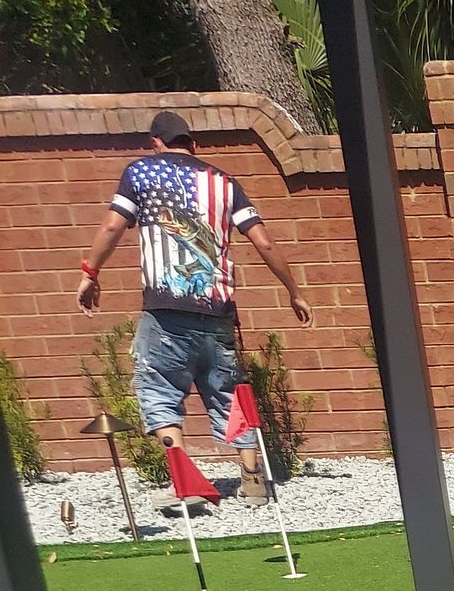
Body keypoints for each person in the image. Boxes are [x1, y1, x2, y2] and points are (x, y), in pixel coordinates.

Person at [76, 109, 311, 504]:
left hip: (166, 311)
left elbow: (114, 226)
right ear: (193, 144)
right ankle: (252, 480)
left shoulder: (140, 174)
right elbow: (264, 243)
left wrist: (90, 272)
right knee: (228, 394)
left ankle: (186, 484)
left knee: (160, 391)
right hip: (217, 310)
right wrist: (293, 290)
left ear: (155, 142)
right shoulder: (224, 182)